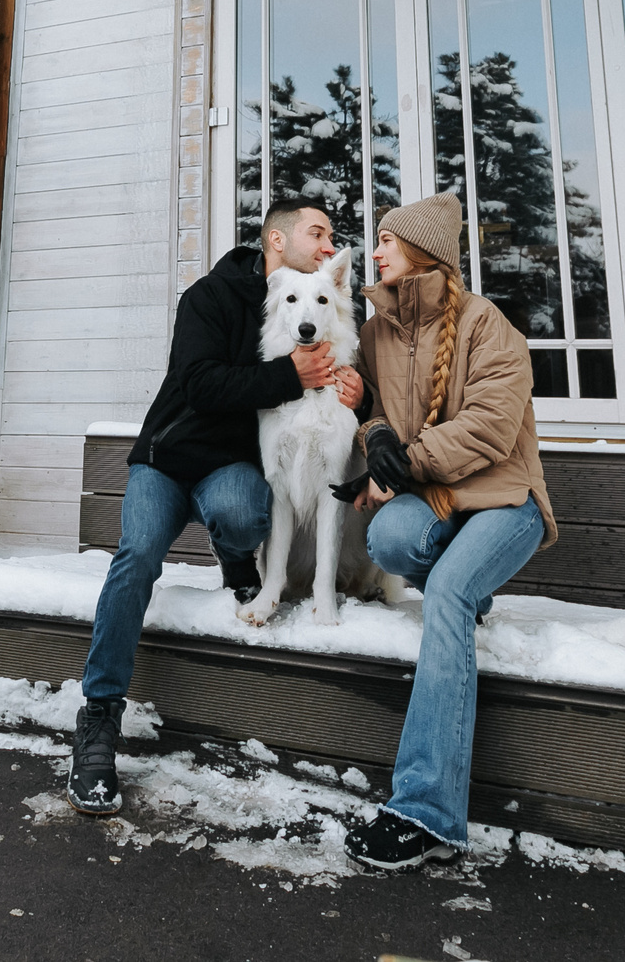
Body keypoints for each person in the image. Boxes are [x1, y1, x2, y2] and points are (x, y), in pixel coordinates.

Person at [67, 197, 361, 815]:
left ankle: (239, 569)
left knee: (244, 514)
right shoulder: (209, 297)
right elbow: (200, 382)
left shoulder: (312, 305)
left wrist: (352, 387)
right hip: (170, 459)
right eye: (318, 233)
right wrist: (293, 377)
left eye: (333, 237)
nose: (329, 246)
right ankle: (98, 719)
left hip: (231, 469)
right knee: (138, 557)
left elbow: (332, 372)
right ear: (277, 243)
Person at [335, 191, 556, 870]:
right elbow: (372, 408)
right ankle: (468, 587)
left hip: (504, 501)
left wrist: (406, 464)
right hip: (437, 502)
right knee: (387, 541)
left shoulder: (487, 324)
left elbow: (491, 425)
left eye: (386, 241)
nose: (375, 252)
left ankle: (426, 811)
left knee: (449, 594)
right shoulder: (377, 330)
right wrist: (374, 437)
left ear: (423, 253)